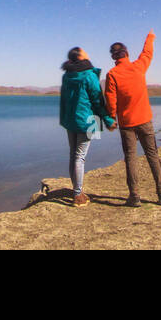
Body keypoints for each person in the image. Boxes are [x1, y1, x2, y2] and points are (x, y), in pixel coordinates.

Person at [104, 30, 161, 207]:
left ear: (113, 57)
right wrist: (151, 37)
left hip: (126, 124)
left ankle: (135, 196)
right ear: (127, 53)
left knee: (131, 158)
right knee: (153, 156)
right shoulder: (138, 66)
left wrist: (111, 118)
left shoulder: (112, 74)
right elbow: (147, 52)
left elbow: (111, 99)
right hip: (145, 120)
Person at [59, 46, 115, 207]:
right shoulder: (89, 75)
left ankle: (77, 190)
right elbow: (98, 100)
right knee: (80, 157)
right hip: (88, 120)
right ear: (80, 57)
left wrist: (64, 119)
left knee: (74, 155)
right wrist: (108, 120)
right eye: (85, 52)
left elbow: (65, 100)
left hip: (71, 121)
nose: (88, 52)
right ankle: (78, 195)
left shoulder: (67, 76)